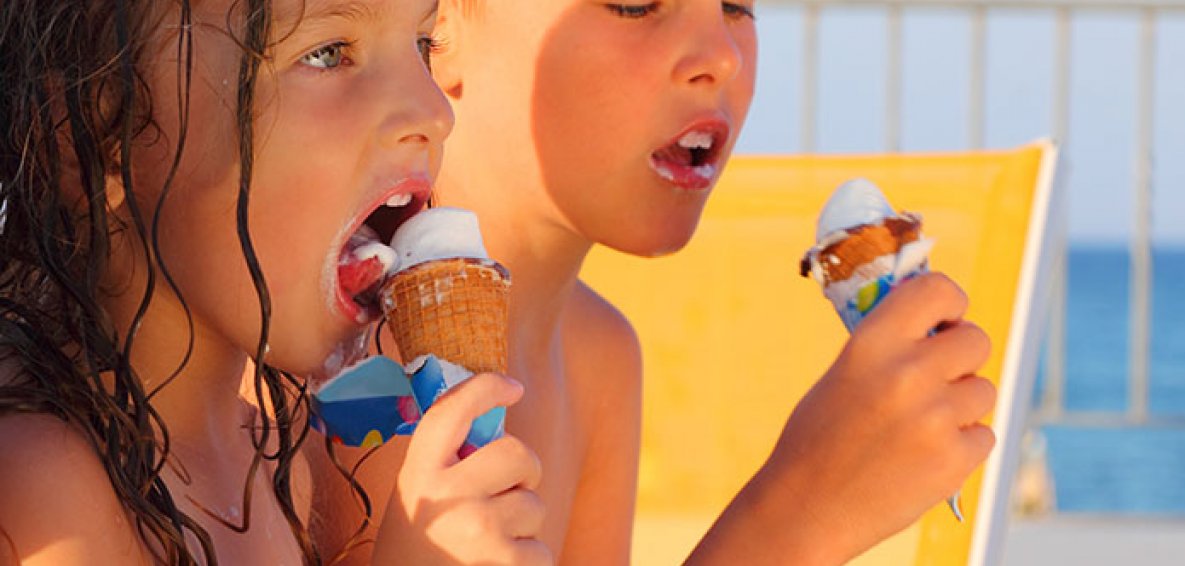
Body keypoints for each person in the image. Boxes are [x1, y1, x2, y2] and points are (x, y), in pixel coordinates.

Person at [320, 0, 999, 563]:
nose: (722, 55)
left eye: (737, 6)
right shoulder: (336, 368)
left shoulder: (598, 354)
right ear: (437, 28)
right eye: (636, 4)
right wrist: (805, 512)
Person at [0, 1, 548, 564]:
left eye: (423, 44)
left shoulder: (268, 464)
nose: (435, 112)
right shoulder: (37, 483)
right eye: (328, 54)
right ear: (94, 130)